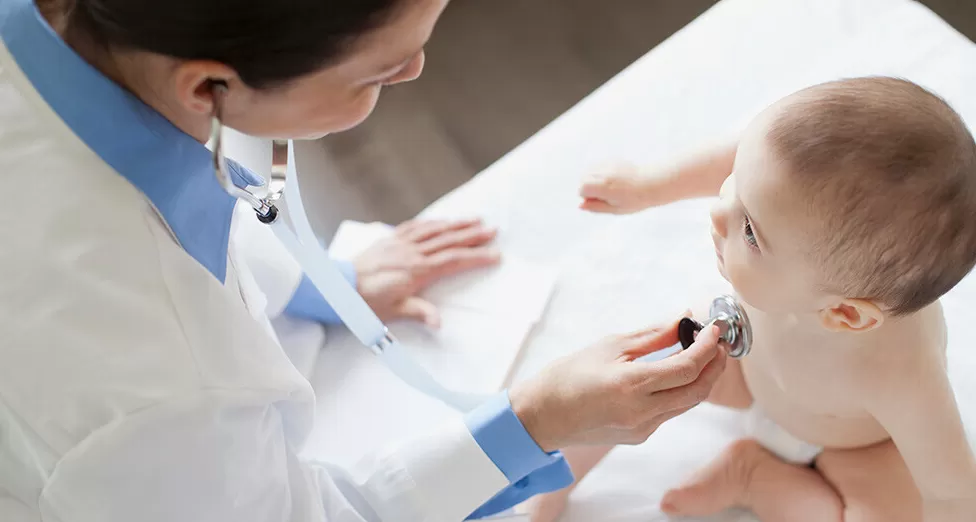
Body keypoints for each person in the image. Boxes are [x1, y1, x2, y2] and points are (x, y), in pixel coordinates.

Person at [0, 1, 729, 521]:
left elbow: (166, 174)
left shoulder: (86, 47)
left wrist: (322, 287)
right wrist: (536, 422)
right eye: (378, 73)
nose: (416, 70)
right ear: (207, 87)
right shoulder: (159, 384)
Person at [528, 77, 976, 522]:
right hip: (743, 367)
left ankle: (757, 478)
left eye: (750, 232)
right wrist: (647, 187)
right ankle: (559, 476)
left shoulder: (904, 379)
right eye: (735, 184)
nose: (718, 212)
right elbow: (748, 158)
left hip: (854, 446)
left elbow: (954, 492)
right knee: (636, 376)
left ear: (843, 312)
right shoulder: (788, 196)